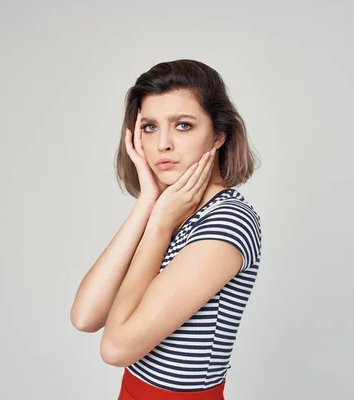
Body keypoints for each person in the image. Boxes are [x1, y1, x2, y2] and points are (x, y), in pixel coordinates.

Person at [70, 59, 263, 400]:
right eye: (149, 127)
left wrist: (158, 224)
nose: (163, 144)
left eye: (183, 125)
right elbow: (86, 316)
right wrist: (147, 203)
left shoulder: (228, 220)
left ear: (219, 135)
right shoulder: (173, 209)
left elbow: (116, 348)